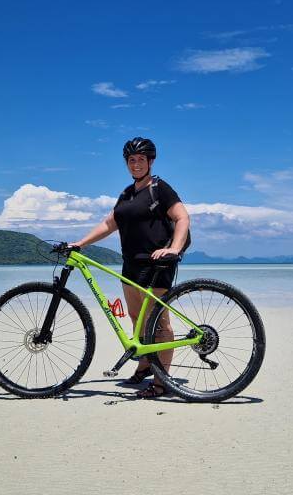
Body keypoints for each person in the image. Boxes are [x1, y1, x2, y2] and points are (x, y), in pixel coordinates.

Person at [70, 137, 191, 399]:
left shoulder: (160, 189)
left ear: (151, 161)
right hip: (130, 264)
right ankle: (146, 363)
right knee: (136, 319)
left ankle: (162, 381)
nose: (136, 164)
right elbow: (109, 224)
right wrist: (80, 243)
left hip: (156, 263)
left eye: (141, 159)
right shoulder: (127, 193)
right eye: (131, 160)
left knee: (159, 326)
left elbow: (182, 218)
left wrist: (174, 248)